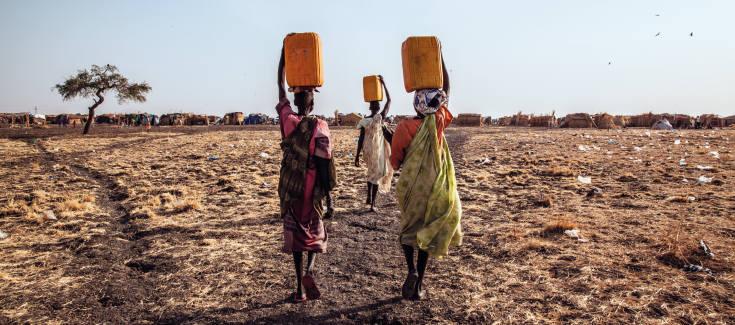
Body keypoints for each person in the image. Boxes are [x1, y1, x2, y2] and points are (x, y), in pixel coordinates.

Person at [390, 52, 462, 301]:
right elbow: (447, 93)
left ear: (415, 104)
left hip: (412, 187)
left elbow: (396, 160)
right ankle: (419, 284)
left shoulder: (404, 127)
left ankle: (410, 269)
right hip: (435, 186)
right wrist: (439, 58)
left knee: (409, 230)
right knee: (426, 234)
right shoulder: (439, 120)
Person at [276, 38, 337, 303]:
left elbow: (280, 88)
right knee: (314, 229)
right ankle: (311, 270)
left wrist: (283, 58)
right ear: (312, 104)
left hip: (292, 187)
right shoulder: (321, 126)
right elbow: (324, 163)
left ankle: (299, 289)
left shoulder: (288, 120)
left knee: (296, 235)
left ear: (297, 99)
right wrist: (330, 197)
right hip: (312, 188)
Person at [354, 75, 392, 212]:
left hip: (369, 151)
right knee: (377, 174)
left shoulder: (368, 120)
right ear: (373, 106)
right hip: (375, 151)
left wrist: (358, 155)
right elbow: (389, 101)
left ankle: (369, 196)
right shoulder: (377, 118)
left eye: (375, 103)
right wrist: (384, 84)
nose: (375, 105)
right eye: (375, 103)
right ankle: (373, 204)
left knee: (371, 172)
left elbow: (361, 139)